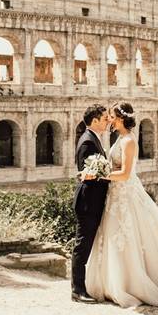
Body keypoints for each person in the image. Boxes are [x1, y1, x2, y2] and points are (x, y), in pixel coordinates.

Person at [84, 102, 158, 307]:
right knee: (114, 236)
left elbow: (125, 174)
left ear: (120, 118)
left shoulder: (128, 141)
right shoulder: (119, 138)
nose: (109, 119)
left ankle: (128, 283)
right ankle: (113, 282)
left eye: (112, 116)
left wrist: (98, 174)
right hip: (115, 195)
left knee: (129, 236)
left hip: (125, 194)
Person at [70, 103, 111, 303]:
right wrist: (108, 175)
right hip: (88, 202)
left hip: (92, 200)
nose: (108, 122)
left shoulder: (93, 139)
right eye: (105, 119)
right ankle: (77, 290)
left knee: (85, 244)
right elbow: (86, 174)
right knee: (82, 245)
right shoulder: (87, 141)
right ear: (94, 120)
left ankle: (82, 287)